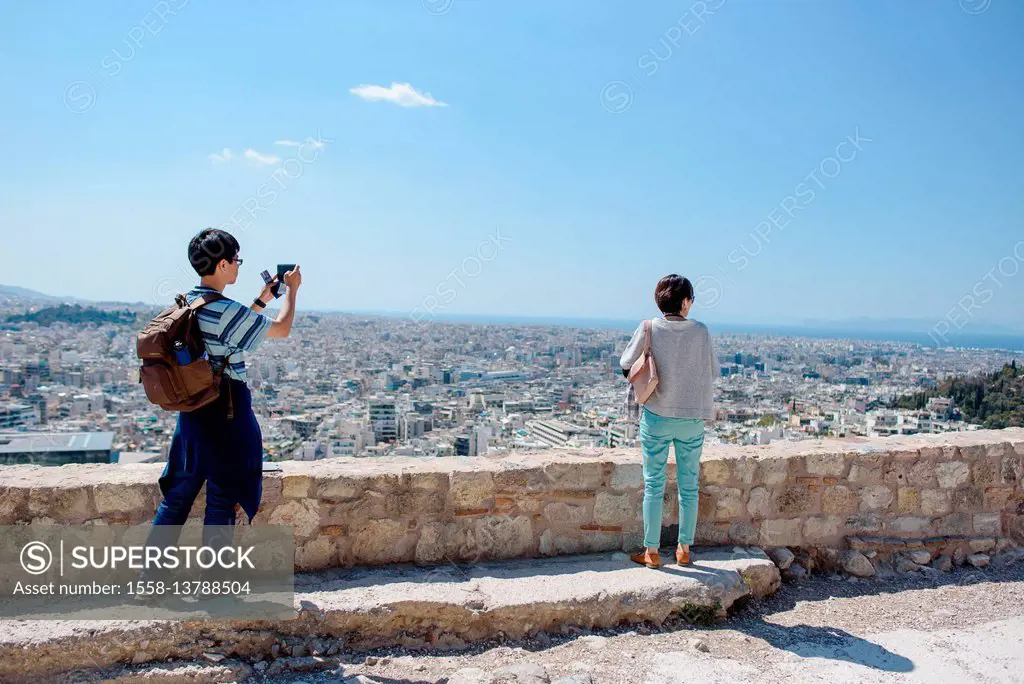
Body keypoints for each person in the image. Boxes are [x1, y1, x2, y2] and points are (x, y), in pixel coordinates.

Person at [141, 228, 301, 588]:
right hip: (225, 412)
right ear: (224, 263)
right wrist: (292, 291)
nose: (239, 267)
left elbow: (228, 334)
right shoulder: (223, 309)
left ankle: (150, 580)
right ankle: (213, 587)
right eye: (237, 261)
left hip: (193, 415)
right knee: (222, 498)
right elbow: (281, 329)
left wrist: (260, 300)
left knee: (177, 497)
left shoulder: (189, 304)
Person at [620, 274, 716, 569]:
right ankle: (683, 550)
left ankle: (651, 552)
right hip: (691, 419)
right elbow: (712, 371)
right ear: (686, 301)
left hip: (657, 416)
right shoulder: (700, 331)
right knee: (689, 487)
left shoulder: (648, 327)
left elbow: (626, 365)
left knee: (654, 484)